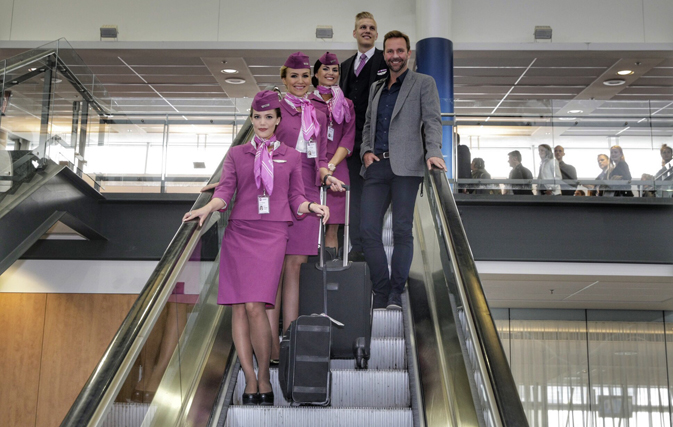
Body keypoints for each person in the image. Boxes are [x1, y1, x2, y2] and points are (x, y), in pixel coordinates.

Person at [183, 91, 330, 406]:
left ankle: (265, 375)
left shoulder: (291, 155)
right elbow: (225, 191)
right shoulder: (237, 154)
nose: (262, 122)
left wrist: (311, 206)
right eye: (256, 117)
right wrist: (207, 208)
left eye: (268, 117)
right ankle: (250, 380)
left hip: (272, 234)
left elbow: (296, 196)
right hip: (239, 233)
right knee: (239, 308)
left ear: (277, 120)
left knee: (256, 306)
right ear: (251, 120)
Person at [360, 30, 446, 310]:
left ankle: (397, 292)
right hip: (377, 166)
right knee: (368, 230)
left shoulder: (424, 83)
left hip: (408, 167)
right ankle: (381, 289)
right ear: (384, 54)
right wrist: (365, 152)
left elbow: (433, 120)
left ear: (408, 54)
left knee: (402, 230)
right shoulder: (377, 87)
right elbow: (368, 126)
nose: (394, 56)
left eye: (400, 51)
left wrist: (433, 152)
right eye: (389, 51)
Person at [269, 52, 345, 361]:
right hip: (277, 191)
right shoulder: (275, 111)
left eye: (303, 76)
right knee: (273, 267)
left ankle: (288, 340)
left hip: (309, 191)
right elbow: (258, 148)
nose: (299, 82)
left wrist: (329, 177)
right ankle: (269, 343)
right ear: (284, 79)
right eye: (293, 76)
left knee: (296, 266)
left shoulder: (319, 112)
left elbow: (321, 156)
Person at [339, 11, 389, 262]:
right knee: (354, 197)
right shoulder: (345, 66)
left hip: (376, 145)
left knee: (373, 199)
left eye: (371, 27)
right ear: (355, 33)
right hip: (350, 144)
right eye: (362, 27)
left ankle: (371, 247)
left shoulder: (385, 61)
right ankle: (356, 247)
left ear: (376, 34)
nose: (366, 30)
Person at [309, 52, 356, 255]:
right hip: (310, 166)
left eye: (335, 70)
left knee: (333, 226)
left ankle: (330, 271)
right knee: (308, 222)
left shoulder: (346, 104)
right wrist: (321, 165)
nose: (330, 73)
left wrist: (331, 165)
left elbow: (348, 137)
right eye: (325, 69)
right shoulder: (307, 102)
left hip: (338, 167)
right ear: (316, 73)